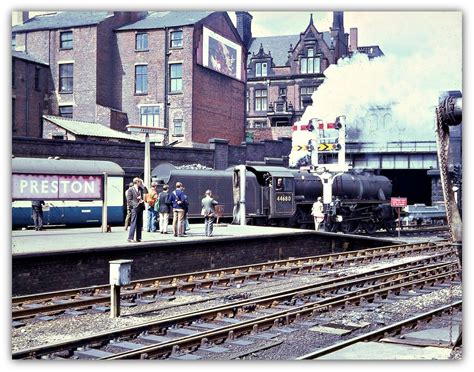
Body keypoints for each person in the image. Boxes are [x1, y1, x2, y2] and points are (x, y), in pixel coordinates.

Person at [127, 177, 146, 242]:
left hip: (140, 207)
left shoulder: (141, 189)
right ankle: (130, 238)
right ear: (137, 182)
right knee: (133, 222)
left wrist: (143, 185)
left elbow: (146, 192)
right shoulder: (130, 190)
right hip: (134, 208)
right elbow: (129, 200)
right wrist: (136, 204)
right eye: (140, 182)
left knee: (139, 223)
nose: (140, 183)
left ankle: (138, 238)